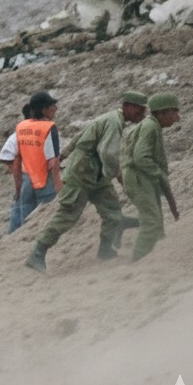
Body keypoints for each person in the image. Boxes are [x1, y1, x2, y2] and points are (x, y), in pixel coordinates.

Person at [27, 92, 149, 272]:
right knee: (68, 214)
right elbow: (109, 154)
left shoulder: (109, 118)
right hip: (81, 176)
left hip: (96, 176)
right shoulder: (113, 122)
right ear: (127, 107)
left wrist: (64, 155)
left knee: (113, 211)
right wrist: (119, 177)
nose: (142, 114)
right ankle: (37, 253)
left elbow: (79, 136)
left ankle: (105, 250)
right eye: (139, 110)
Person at [124, 93, 182, 261]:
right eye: (174, 112)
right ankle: (137, 261)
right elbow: (141, 157)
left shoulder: (152, 125)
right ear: (162, 113)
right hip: (139, 178)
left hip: (144, 178)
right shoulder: (150, 126)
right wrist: (159, 174)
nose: (177, 118)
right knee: (152, 222)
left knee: (157, 221)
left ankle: (157, 258)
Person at [11, 91, 62, 233]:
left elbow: (17, 158)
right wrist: (59, 187)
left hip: (26, 181)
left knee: (26, 226)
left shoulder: (21, 127)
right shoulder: (49, 128)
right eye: (52, 106)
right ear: (44, 109)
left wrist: (18, 187)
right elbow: (53, 161)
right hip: (44, 181)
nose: (55, 109)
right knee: (47, 221)